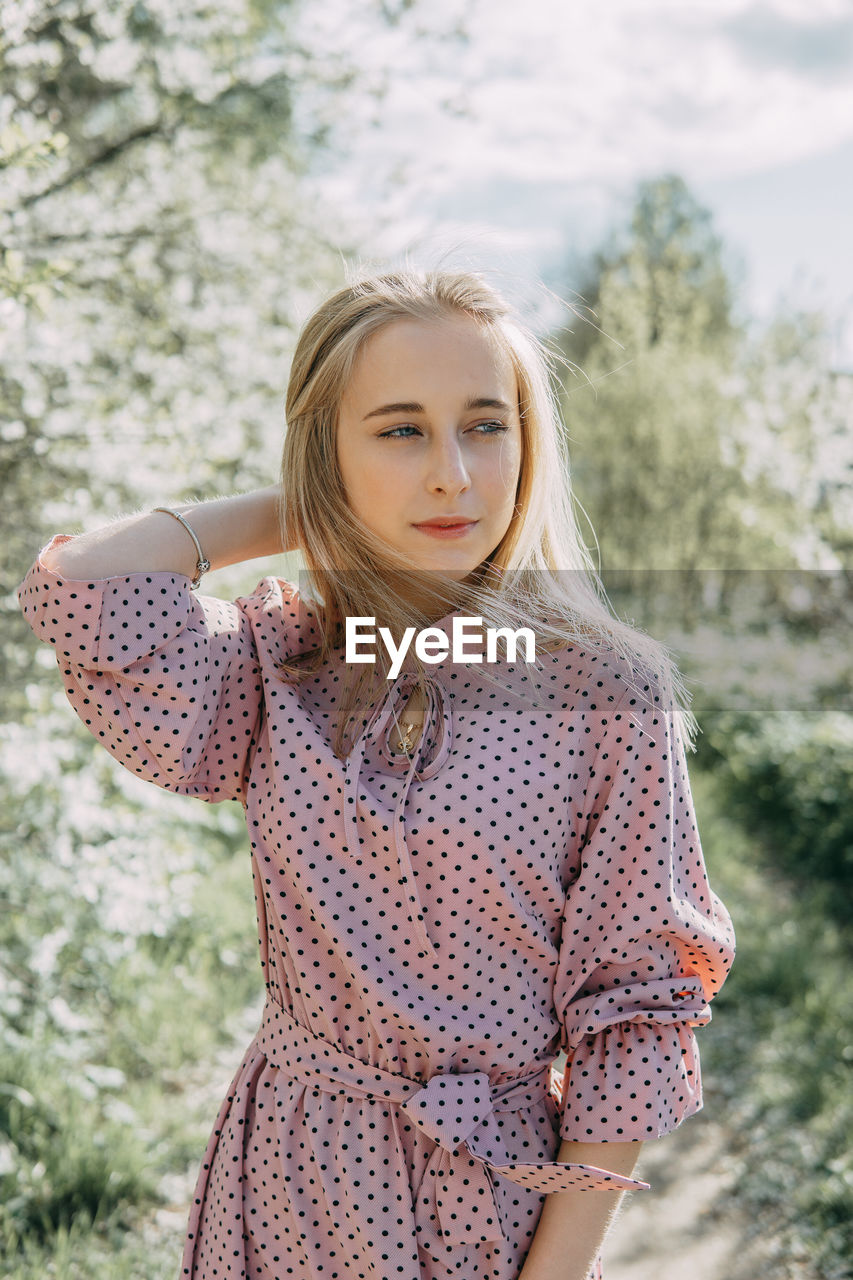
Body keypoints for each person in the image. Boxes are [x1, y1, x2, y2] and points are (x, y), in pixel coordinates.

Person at [17, 267, 736, 1280]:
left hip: (498, 1195)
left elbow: (635, 1015)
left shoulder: (606, 687)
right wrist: (310, 508)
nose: (452, 473)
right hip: (291, 1173)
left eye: (485, 424)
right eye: (399, 430)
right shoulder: (281, 658)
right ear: (330, 452)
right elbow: (81, 590)